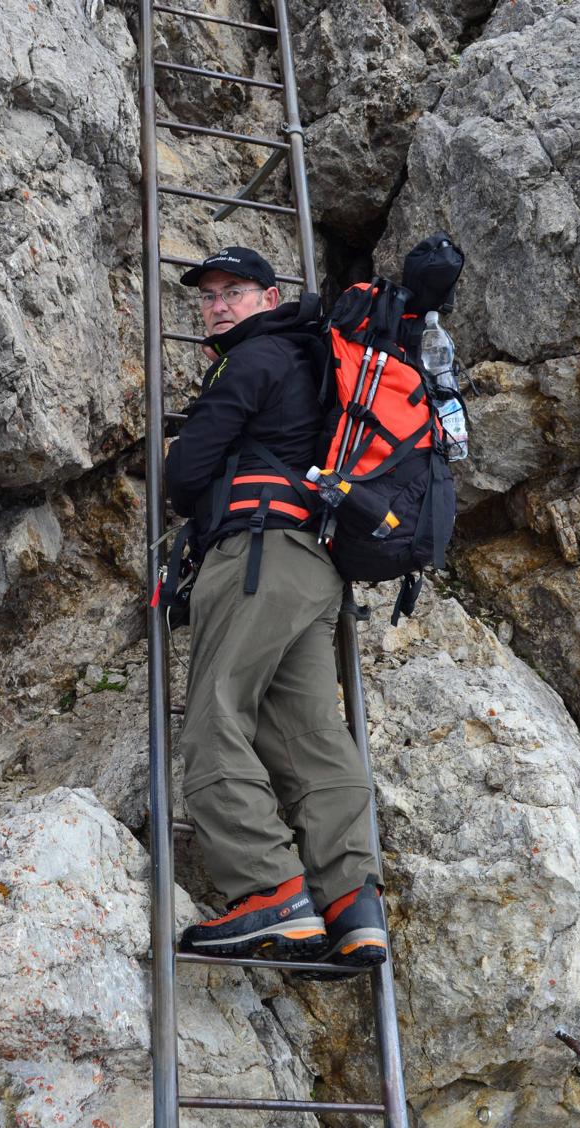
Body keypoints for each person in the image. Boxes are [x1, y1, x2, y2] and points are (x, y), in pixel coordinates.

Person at [165, 246, 387, 967]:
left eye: (233, 291)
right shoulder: (314, 362)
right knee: (310, 735)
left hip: (257, 554)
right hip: (315, 568)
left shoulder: (253, 359)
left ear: (268, 297)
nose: (217, 306)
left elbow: (184, 475)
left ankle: (270, 891)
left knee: (216, 715)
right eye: (208, 296)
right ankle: (351, 904)